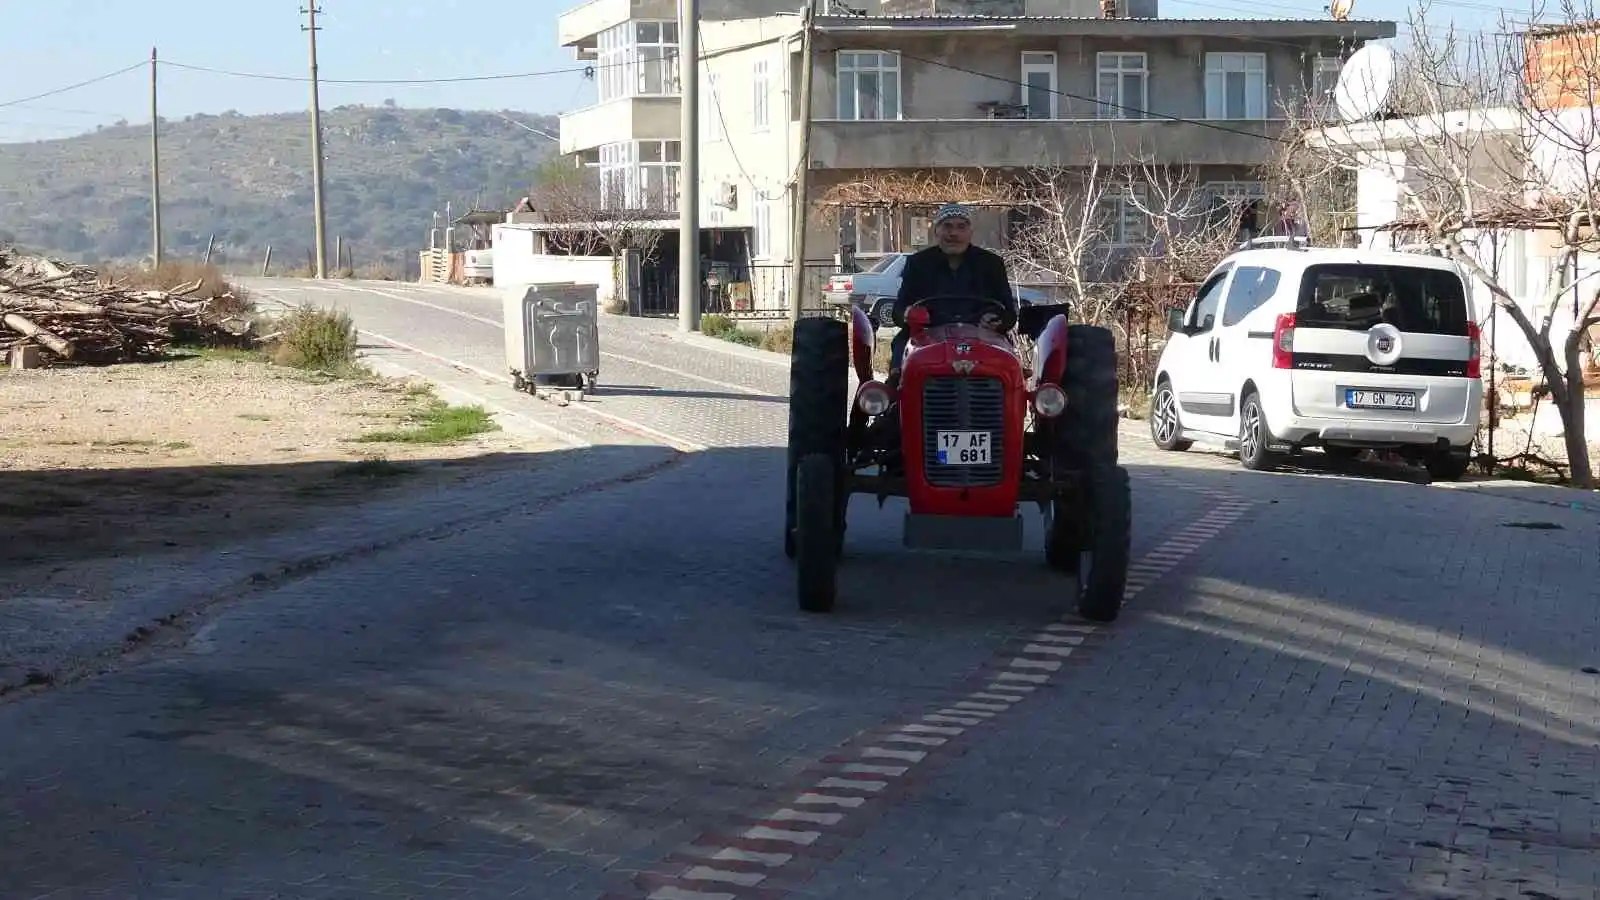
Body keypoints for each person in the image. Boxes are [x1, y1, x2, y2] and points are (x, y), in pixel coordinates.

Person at [888, 203, 1017, 375]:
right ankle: (894, 395)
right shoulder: (918, 264)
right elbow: (898, 310)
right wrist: (910, 314)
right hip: (928, 336)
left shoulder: (991, 264)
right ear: (936, 231)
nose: (954, 233)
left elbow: (1009, 312)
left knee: (1009, 367)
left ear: (970, 232)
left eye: (961, 227)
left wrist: (997, 320)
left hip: (982, 336)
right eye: (947, 226)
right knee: (899, 364)